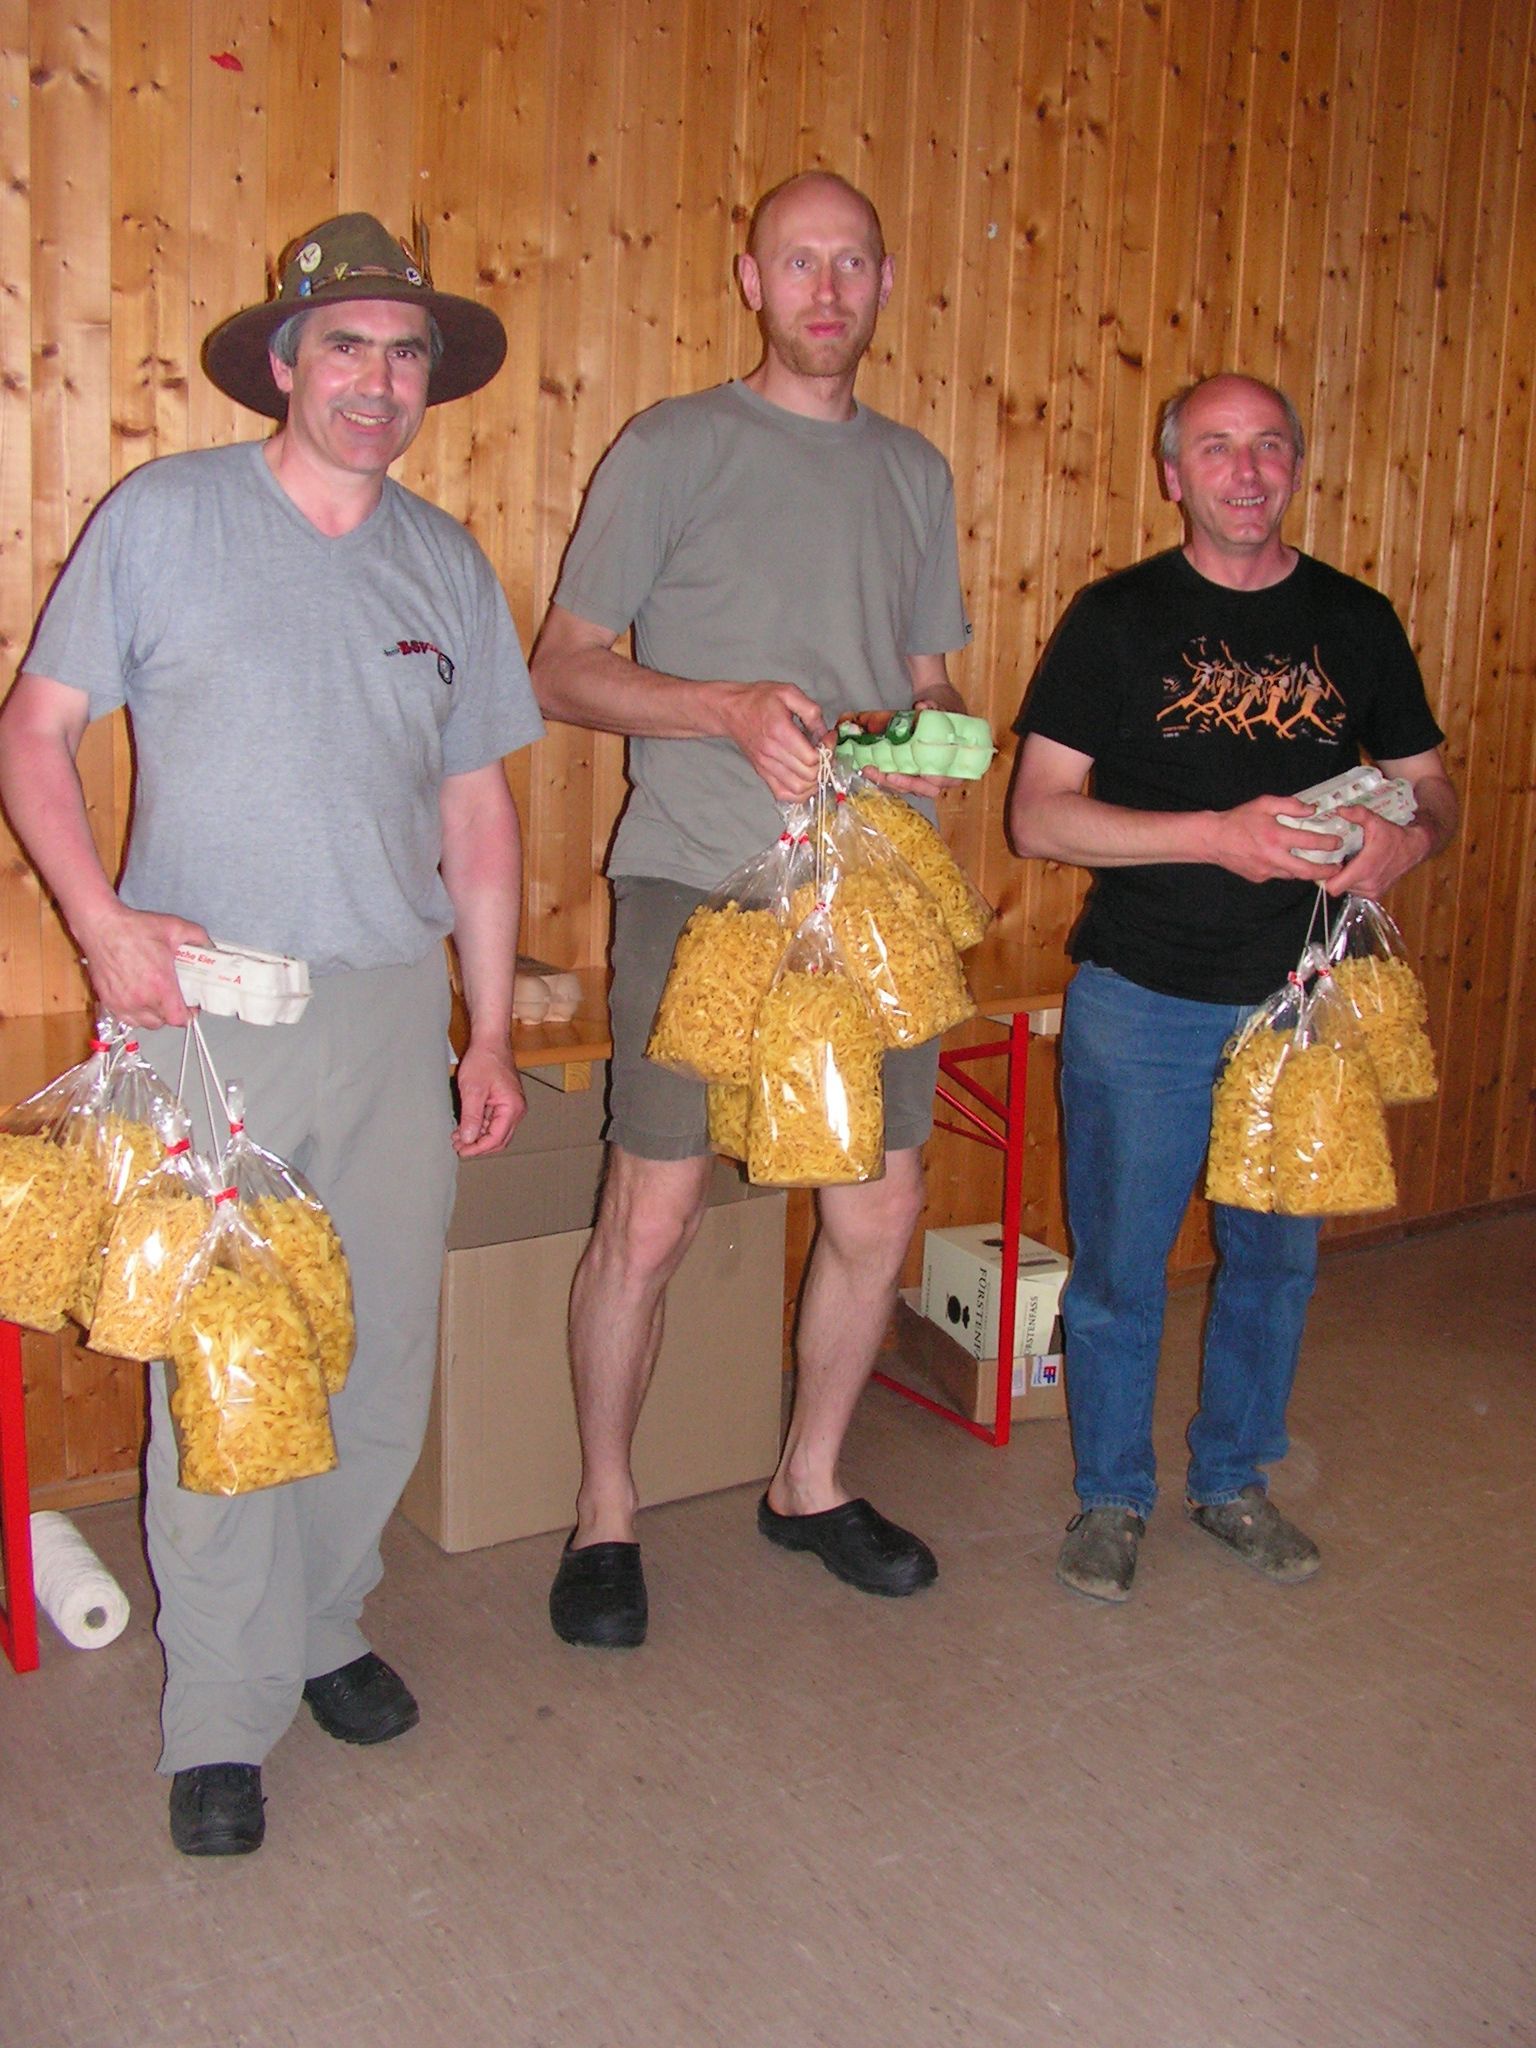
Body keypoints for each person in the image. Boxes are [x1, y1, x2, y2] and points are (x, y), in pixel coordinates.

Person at [0, 214, 544, 1851]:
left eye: (406, 353)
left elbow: (479, 814)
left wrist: (487, 1031)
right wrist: (101, 922)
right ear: (287, 362)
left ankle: (323, 1622)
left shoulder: (445, 562)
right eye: (347, 346)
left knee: (372, 1353)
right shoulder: (165, 518)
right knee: (230, 1362)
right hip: (207, 1018)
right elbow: (32, 736)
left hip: (389, 1014)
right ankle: (221, 1715)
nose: (379, 381)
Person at [529, 170, 974, 1647]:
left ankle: (810, 1481)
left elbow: (930, 685)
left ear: (884, 282)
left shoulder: (915, 472)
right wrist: (723, 707)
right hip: (698, 878)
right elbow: (562, 667)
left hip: (871, 896)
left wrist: (925, 747)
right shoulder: (673, 446)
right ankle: (606, 1510)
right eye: (799, 262)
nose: (826, 289)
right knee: (652, 1215)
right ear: (751, 280)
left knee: (880, 1201)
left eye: (852, 263)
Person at [1008, 372, 1457, 1603]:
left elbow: (1433, 785)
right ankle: (1112, 1495)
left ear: (1295, 466)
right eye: (1216, 447)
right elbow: (1038, 818)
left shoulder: (1356, 619)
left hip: (1302, 1011)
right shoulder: (1116, 618)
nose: (1246, 471)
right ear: (1174, 474)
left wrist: (1409, 840)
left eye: (1268, 446)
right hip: (1140, 997)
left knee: (1275, 1262)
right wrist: (1217, 834)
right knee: (1119, 1268)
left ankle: (1232, 1480)